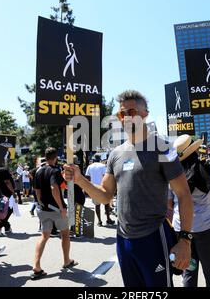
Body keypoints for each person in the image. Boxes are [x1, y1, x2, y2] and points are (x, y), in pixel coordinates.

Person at [64, 90, 194, 287]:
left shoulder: (162, 148)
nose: (125, 118)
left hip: (154, 238)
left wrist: (185, 240)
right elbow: (106, 196)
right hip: (124, 240)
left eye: (131, 112)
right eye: (121, 114)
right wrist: (80, 180)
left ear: (145, 114)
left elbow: (184, 194)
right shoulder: (115, 153)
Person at [171, 135, 210, 287]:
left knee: (188, 271)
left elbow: (168, 203)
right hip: (206, 227)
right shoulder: (206, 169)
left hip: (181, 229)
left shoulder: (172, 174)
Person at [31, 147, 77, 280]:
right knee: (65, 234)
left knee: (44, 236)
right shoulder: (54, 170)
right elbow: (54, 188)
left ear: (45, 156)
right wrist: (61, 207)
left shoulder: (39, 170)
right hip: (56, 209)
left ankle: (36, 266)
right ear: (56, 157)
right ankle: (67, 261)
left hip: (43, 209)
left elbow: (37, 190)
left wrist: (40, 203)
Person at [85, 154, 114, 227]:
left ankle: (99, 221)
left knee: (97, 205)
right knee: (106, 204)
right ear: (100, 159)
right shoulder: (102, 166)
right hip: (102, 188)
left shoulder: (90, 166)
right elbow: (106, 176)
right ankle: (108, 219)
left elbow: (87, 177)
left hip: (93, 188)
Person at [0, 167, 15, 234]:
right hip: (6, 195)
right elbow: (7, 182)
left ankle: (6, 227)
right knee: (9, 209)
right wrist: (12, 191)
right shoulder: (3, 170)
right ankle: (1, 225)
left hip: (0, 195)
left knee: (2, 211)